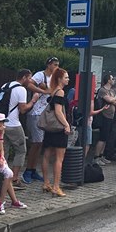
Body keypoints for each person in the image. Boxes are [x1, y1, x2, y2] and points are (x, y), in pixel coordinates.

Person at [0, 113, 28, 213]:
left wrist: (2, 157)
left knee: (8, 177)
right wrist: (2, 135)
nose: (2, 124)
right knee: (9, 173)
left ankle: (14, 201)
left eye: (3, 122)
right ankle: (0, 200)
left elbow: (1, 149)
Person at [3, 69, 40, 190]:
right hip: (13, 124)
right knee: (21, 150)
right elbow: (23, 109)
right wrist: (33, 100)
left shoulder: (6, 85)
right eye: (29, 78)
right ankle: (14, 179)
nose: (30, 81)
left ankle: (3, 178)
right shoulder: (21, 89)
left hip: (2, 124)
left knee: (4, 152)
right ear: (24, 77)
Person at [23, 56, 58, 184]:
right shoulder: (40, 75)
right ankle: (28, 170)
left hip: (46, 114)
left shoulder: (54, 78)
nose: (56, 67)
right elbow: (29, 84)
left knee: (41, 144)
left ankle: (32, 169)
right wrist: (43, 90)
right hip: (36, 113)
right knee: (36, 142)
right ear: (48, 64)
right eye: (54, 64)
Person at [41, 68, 72, 197]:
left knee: (46, 155)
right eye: (66, 77)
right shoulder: (60, 92)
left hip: (50, 128)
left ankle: (46, 182)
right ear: (59, 79)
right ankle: (56, 186)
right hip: (58, 128)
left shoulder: (53, 91)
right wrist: (66, 125)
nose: (68, 79)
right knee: (59, 158)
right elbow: (59, 111)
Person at [94, 74, 116, 165]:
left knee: (106, 137)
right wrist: (114, 99)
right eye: (112, 78)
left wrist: (114, 99)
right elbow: (110, 100)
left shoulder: (112, 90)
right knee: (102, 137)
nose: (113, 80)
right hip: (104, 116)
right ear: (108, 80)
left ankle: (102, 155)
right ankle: (96, 157)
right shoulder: (102, 90)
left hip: (111, 116)